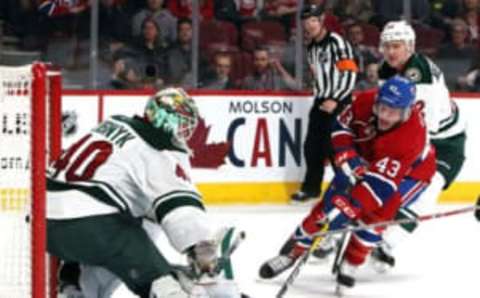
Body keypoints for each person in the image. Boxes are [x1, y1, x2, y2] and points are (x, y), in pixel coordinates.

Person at [46, 88, 242, 298]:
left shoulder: (113, 123)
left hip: (44, 225)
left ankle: (72, 284)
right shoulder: (156, 153)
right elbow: (180, 209)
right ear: (168, 121)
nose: (185, 132)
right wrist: (201, 249)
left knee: (112, 237)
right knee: (161, 282)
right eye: (183, 124)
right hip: (95, 229)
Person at [258, 76, 436, 294]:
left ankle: (351, 263)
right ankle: (292, 252)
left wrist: (354, 205)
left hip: (406, 174)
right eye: (382, 108)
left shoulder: (410, 138)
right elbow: (341, 125)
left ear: (407, 110)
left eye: (393, 112)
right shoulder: (366, 101)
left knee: (375, 219)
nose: (384, 116)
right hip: (363, 159)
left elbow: (381, 185)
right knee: (327, 208)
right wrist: (346, 154)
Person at [368, 20, 467, 271]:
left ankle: (386, 245)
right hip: (417, 136)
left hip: (446, 142)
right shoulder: (386, 70)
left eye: (397, 46)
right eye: (387, 46)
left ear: (410, 46)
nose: (391, 52)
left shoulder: (420, 74)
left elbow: (426, 128)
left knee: (427, 191)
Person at [290, 3, 357, 203]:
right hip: (320, 101)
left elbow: (350, 72)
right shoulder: (311, 48)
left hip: (339, 101)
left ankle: (345, 189)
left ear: (321, 20)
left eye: (312, 20)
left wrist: (335, 99)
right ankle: (311, 189)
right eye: (305, 22)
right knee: (312, 147)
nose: (309, 25)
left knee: (334, 147)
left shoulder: (337, 42)